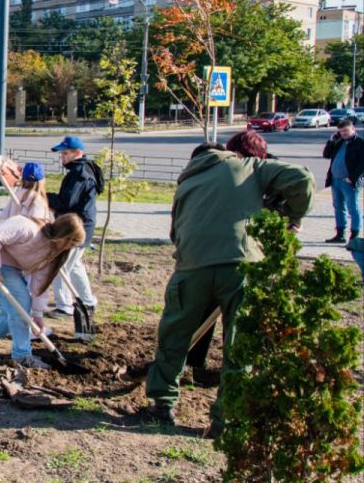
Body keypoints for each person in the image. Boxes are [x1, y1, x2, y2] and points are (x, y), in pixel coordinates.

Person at [144, 143, 315, 432]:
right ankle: (227, 419)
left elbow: (175, 231)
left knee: (174, 335)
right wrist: (292, 215)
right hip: (241, 266)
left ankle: (161, 404)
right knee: (239, 344)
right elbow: (302, 179)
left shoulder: (186, 183)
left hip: (191, 267)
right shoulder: (248, 166)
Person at [0, 214, 86, 369]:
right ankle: (22, 355)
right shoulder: (28, 228)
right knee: (21, 304)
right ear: (63, 236)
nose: (70, 248)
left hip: (12, 267)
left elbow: (40, 284)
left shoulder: (52, 252)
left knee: (14, 309)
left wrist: (38, 314)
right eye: (71, 242)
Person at [44, 136, 99, 322]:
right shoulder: (84, 169)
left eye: (66, 153)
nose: (63, 157)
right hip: (83, 225)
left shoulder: (79, 174)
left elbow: (66, 202)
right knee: (74, 265)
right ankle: (88, 300)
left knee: (60, 265)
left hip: (76, 227)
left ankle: (65, 306)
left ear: (78, 153)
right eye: (62, 153)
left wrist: (43, 196)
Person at [322, 118, 364, 243]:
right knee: (338, 207)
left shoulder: (360, 143)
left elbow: (362, 164)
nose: (344, 133)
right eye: (341, 131)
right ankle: (340, 234)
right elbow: (326, 155)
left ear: (353, 129)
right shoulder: (339, 142)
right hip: (336, 180)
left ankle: (355, 235)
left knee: (353, 208)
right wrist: (331, 141)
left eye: (346, 130)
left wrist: (352, 178)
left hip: (349, 182)